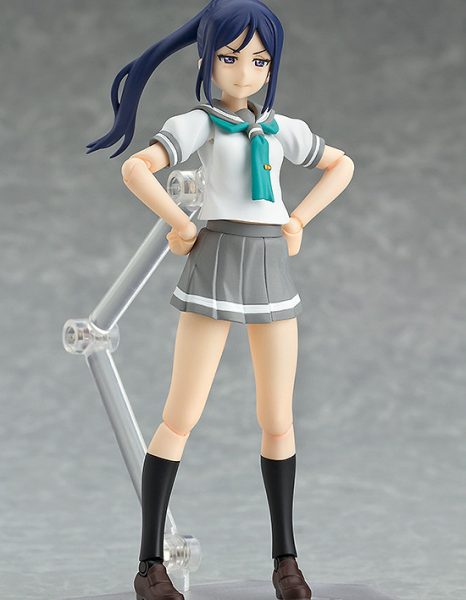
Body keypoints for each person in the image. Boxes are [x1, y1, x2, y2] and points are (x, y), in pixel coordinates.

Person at [87, 1, 354, 598]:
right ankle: (149, 563)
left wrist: (299, 219)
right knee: (180, 414)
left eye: (259, 60)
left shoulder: (281, 129)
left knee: (278, 419)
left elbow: (341, 165)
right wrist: (181, 223)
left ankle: (286, 560)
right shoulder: (198, 124)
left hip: (270, 268)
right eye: (230, 57)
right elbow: (137, 169)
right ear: (208, 59)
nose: (244, 71)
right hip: (214, 265)